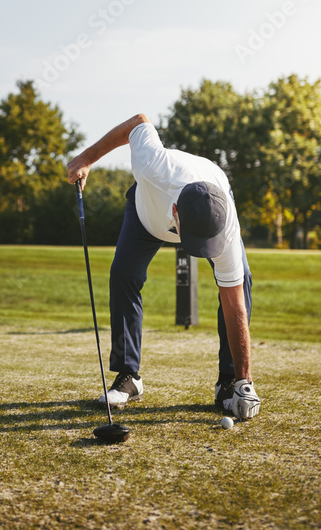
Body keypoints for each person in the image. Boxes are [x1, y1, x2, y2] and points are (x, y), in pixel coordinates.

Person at [66, 113, 261, 420]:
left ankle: (229, 381)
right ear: (175, 212)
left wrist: (245, 381)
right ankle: (129, 376)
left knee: (242, 280)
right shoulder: (152, 164)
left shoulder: (224, 225)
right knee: (123, 275)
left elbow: (233, 305)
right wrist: (87, 157)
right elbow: (138, 121)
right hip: (146, 216)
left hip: (209, 192)